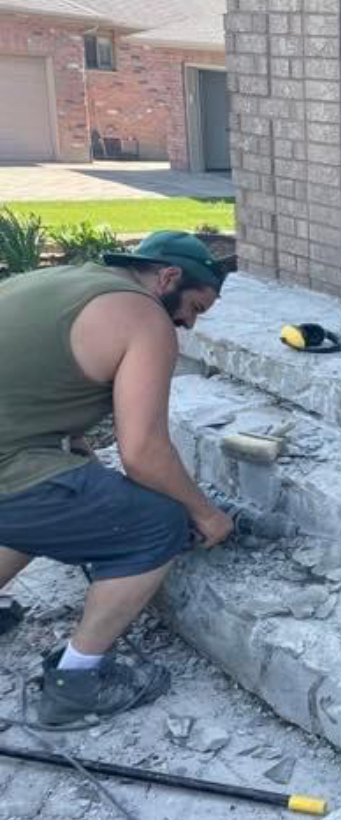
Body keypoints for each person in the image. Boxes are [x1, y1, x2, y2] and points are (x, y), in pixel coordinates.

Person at [0, 231, 235, 725]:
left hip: (16, 450)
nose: (188, 323)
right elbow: (144, 453)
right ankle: (76, 683)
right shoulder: (145, 318)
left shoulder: (71, 279)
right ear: (168, 277)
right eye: (194, 306)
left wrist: (65, 443)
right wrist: (205, 513)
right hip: (10, 465)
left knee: (65, 492)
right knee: (156, 523)